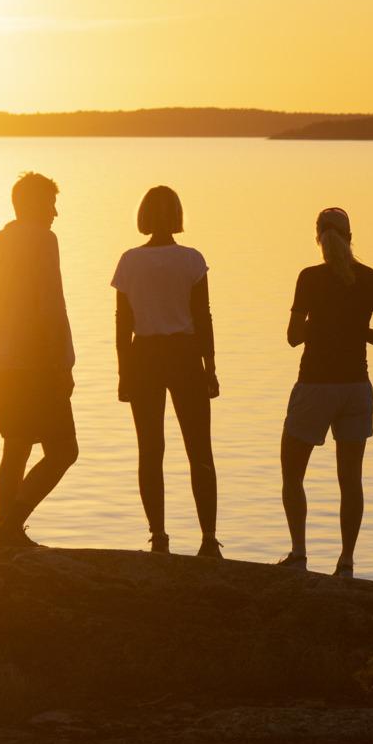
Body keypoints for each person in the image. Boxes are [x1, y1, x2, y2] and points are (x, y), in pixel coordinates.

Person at [280, 206, 373, 579]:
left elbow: (293, 337)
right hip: (356, 390)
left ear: (318, 238)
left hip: (315, 387)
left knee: (292, 474)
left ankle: (299, 554)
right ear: (350, 237)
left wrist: (320, 324)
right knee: (351, 480)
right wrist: (356, 330)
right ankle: (346, 562)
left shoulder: (308, 278)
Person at [112, 184, 221, 557]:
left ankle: (158, 537)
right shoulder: (191, 259)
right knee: (199, 450)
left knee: (150, 449)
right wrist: (210, 366)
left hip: (143, 356)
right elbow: (202, 317)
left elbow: (121, 323)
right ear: (176, 216)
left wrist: (123, 372)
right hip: (185, 355)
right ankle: (208, 540)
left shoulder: (129, 261)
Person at [0, 171, 78, 548]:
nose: (55, 213)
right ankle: (8, 530)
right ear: (35, 204)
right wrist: (61, 365)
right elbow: (49, 304)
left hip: (0, 360)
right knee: (64, 450)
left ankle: (9, 535)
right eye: (51, 203)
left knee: (15, 447)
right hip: (37, 361)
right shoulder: (43, 240)